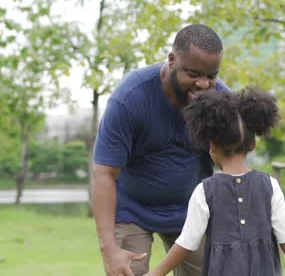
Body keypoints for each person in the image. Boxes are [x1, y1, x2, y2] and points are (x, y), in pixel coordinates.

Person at [92, 24, 229, 276]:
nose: (203, 84)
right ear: (172, 59)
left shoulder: (219, 98)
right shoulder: (130, 98)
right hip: (132, 211)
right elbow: (104, 174)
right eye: (193, 73)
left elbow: (232, 163)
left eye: (211, 76)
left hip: (192, 211)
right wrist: (109, 249)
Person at [146, 88, 285, 276]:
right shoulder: (270, 186)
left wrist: (154, 274)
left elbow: (186, 243)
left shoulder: (204, 191)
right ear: (253, 145)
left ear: (212, 145)